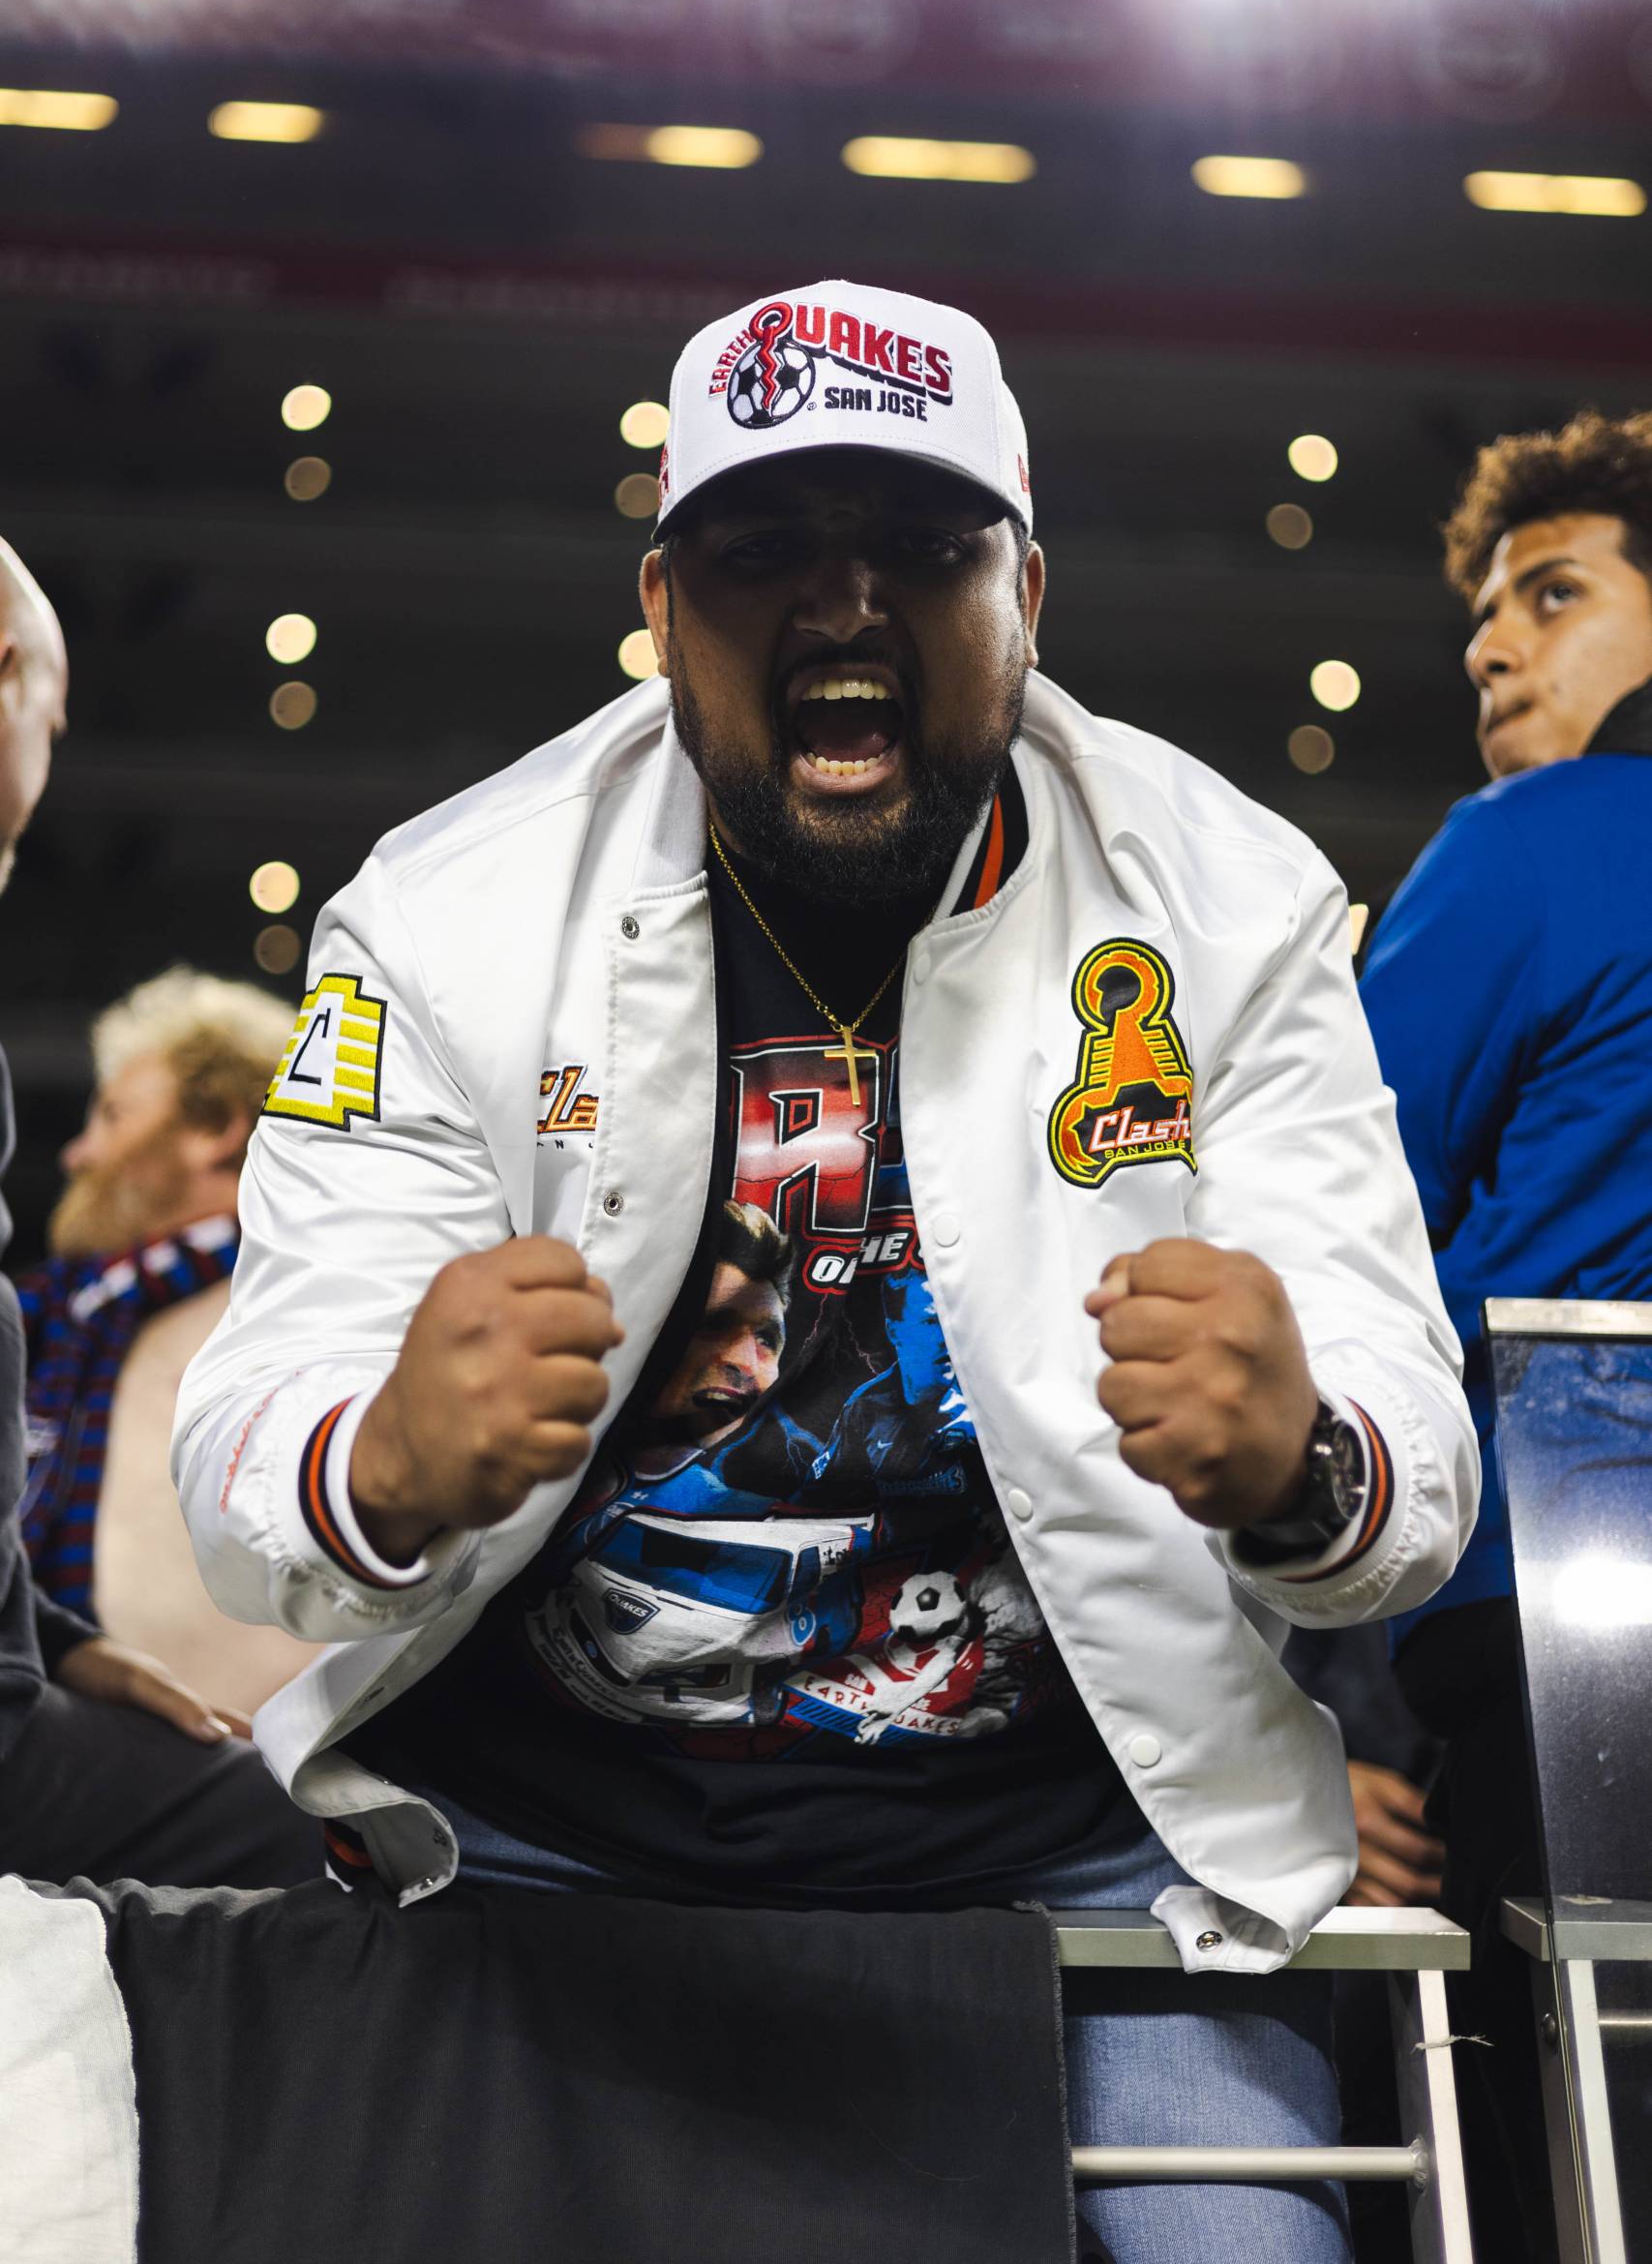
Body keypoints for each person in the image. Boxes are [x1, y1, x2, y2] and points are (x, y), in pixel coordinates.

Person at [177, 280, 1477, 2262]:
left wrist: (1302, 1456)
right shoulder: (446, 915)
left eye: (919, 546)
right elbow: (247, 1460)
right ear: (662, 602)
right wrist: (382, 1458)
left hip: (1089, 1859)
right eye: (766, 545)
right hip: (547, 1857)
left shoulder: (1227, 903)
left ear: (1025, 591)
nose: (844, 603)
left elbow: (1409, 1467)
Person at [1358, 407, 1652, 2262]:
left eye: (1552, 595)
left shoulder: (1531, 841)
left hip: (1540, 1622)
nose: (1488, 645)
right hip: (1536, 1616)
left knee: (1561, 2150)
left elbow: (1338, 1240)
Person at [0, 537, 316, 1887]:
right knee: (378, 1859)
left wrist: (50, 1640)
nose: (75, 1151)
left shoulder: (280, 1289)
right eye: (50, 719)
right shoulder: (90, 1312)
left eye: (111, 1119)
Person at [19, 967, 317, 1713]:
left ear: (215, 1130)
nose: (78, 1154)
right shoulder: (67, 1312)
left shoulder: (305, 1311)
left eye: (113, 1115)